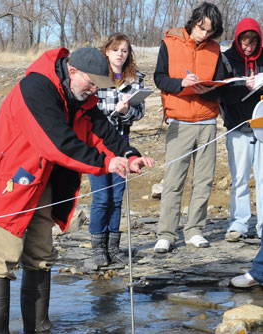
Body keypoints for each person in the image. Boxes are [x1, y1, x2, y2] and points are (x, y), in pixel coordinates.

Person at [0, 47, 154, 333]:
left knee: (40, 257)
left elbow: (100, 129)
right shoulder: (36, 88)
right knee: (0, 261)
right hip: (3, 182)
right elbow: (56, 143)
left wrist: (127, 153)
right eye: (90, 84)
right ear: (72, 71)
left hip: (41, 182)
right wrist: (106, 163)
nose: (93, 91)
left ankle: (39, 327)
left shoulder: (79, 94)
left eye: (97, 87)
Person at [153, 2, 224, 253]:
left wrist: (212, 88)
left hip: (207, 122)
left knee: (203, 181)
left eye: (210, 31)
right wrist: (181, 83)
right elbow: (159, 78)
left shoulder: (216, 49)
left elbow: (221, 83)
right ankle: (167, 234)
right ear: (193, 21)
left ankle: (194, 230)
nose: (204, 34)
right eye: (201, 28)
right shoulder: (169, 43)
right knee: (173, 181)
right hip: (179, 122)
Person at [89, 33, 146, 267]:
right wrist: (113, 109)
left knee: (116, 198)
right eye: (115, 50)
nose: (120, 54)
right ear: (107, 52)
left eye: (124, 50)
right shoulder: (96, 76)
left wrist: (126, 112)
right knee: (101, 198)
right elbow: (89, 108)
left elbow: (140, 112)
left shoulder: (135, 79)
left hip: (123, 142)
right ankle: (97, 249)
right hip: (98, 144)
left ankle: (114, 248)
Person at [219, 18, 263, 242]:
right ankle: (239, 223)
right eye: (245, 44)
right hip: (237, 126)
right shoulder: (226, 59)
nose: (248, 48)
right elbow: (221, 93)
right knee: (239, 178)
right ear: (237, 41)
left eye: (252, 44)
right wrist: (242, 87)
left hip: (262, 128)